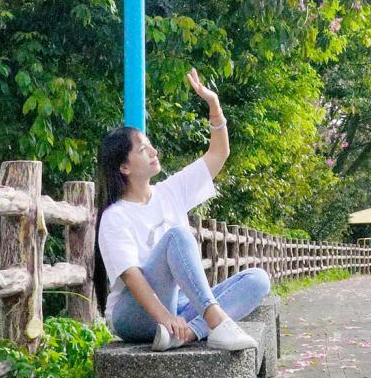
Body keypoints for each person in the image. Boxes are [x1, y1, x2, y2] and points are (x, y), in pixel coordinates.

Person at [94, 68, 270, 351]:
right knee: (177, 236)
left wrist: (214, 106)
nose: (153, 152)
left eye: (151, 146)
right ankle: (215, 322)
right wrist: (166, 318)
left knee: (257, 280)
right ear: (124, 167)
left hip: (179, 308)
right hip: (133, 315)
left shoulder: (169, 192)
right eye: (142, 150)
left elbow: (218, 154)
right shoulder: (115, 216)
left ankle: (191, 332)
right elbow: (132, 278)